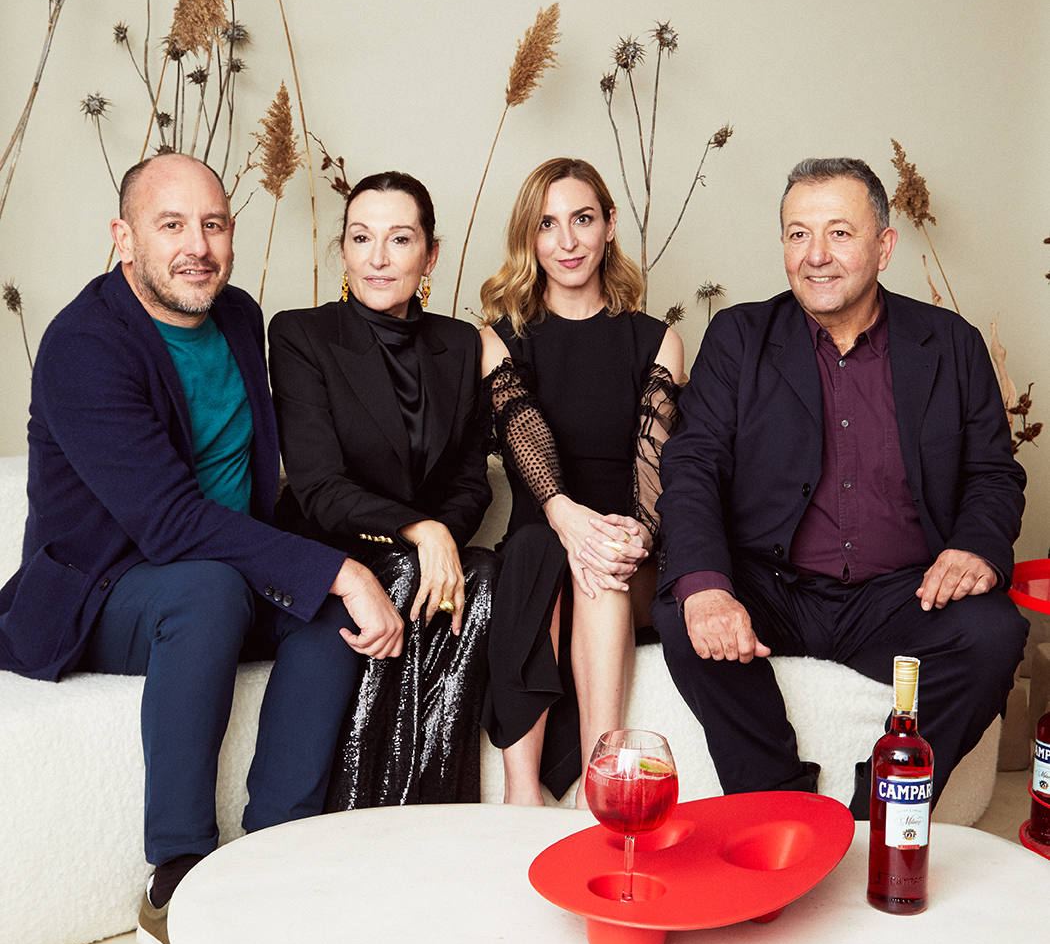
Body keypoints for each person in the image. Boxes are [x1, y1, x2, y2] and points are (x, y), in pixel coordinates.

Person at [0, 153, 403, 944]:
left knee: (326, 611)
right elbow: (169, 524)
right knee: (224, 589)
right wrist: (339, 568)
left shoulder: (239, 316)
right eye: (171, 224)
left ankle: (276, 848)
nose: (198, 246)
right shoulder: (83, 345)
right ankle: (175, 871)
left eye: (213, 224)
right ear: (124, 238)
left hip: (221, 571)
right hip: (103, 591)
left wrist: (348, 562)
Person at [653, 157, 1028, 812]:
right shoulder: (739, 337)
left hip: (901, 594)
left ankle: (875, 811)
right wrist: (708, 588)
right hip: (774, 587)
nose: (815, 256)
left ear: (884, 246)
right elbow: (692, 467)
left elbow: (993, 474)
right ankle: (779, 809)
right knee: (684, 611)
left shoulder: (951, 344)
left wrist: (974, 547)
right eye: (798, 234)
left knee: (995, 632)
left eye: (839, 234)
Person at [268, 171, 496, 807]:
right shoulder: (300, 335)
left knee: (482, 576)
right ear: (342, 248)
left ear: (430, 253)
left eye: (399, 239)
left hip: (422, 550)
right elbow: (317, 486)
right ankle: (362, 810)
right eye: (361, 237)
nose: (377, 257)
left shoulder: (459, 343)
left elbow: (470, 478)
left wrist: (441, 534)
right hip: (330, 548)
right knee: (405, 572)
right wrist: (420, 530)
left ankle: (436, 804)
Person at [479, 156, 684, 805]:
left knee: (602, 564)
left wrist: (633, 537)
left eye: (583, 220)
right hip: (540, 538)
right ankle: (524, 795)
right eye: (547, 224)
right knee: (543, 548)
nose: (566, 242)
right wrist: (569, 520)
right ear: (529, 237)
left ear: (609, 226)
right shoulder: (499, 339)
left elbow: (656, 466)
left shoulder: (657, 340)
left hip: (628, 548)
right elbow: (528, 439)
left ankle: (606, 776)